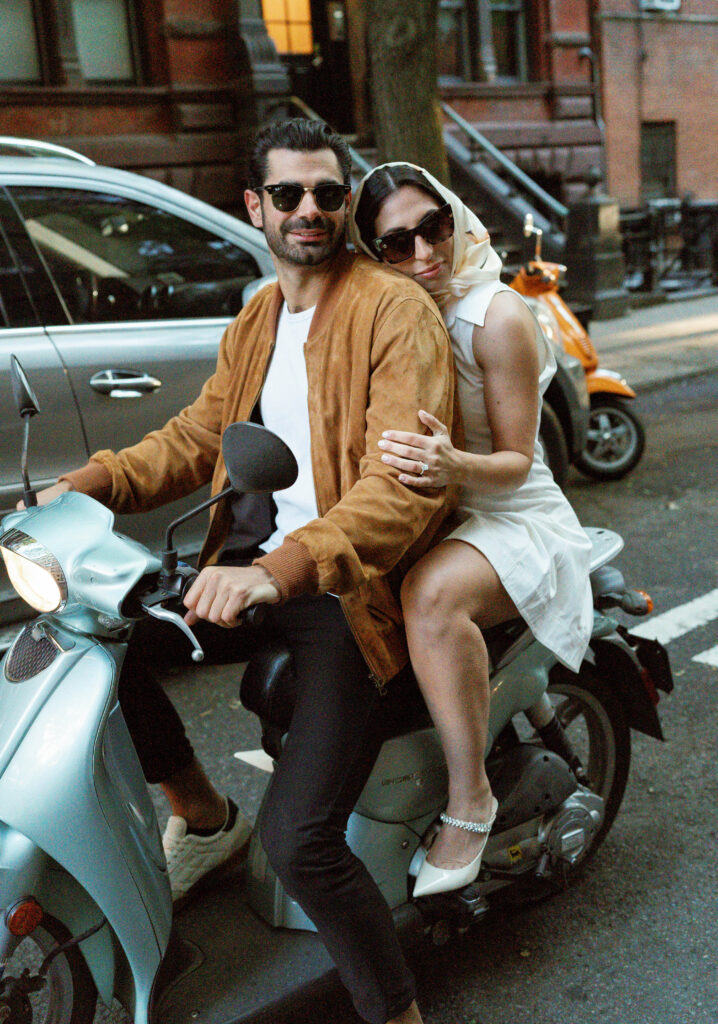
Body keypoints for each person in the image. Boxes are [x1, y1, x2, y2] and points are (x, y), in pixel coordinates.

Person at [33, 122, 459, 1024]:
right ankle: (204, 812)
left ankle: (399, 1012)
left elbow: (400, 490)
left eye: (329, 194)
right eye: (291, 195)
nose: (312, 210)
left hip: (347, 593)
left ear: (344, 203)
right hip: (250, 567)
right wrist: (84, 484)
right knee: (93, 640)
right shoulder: (261, 313)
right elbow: (198, 436)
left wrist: (278, 571)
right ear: (255, 207)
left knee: (302, 842)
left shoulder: (391, 310)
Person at [348, 163, 593, 898]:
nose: (424, 253)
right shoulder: (387, 313)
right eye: (397, 243)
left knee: (429, 596)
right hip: (439, 511)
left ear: (454, 219)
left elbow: (519, 463)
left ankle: (469, 796)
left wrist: (452, 463)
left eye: (435, 227)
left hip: (512, 515)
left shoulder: (499, 315)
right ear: (372, 252)